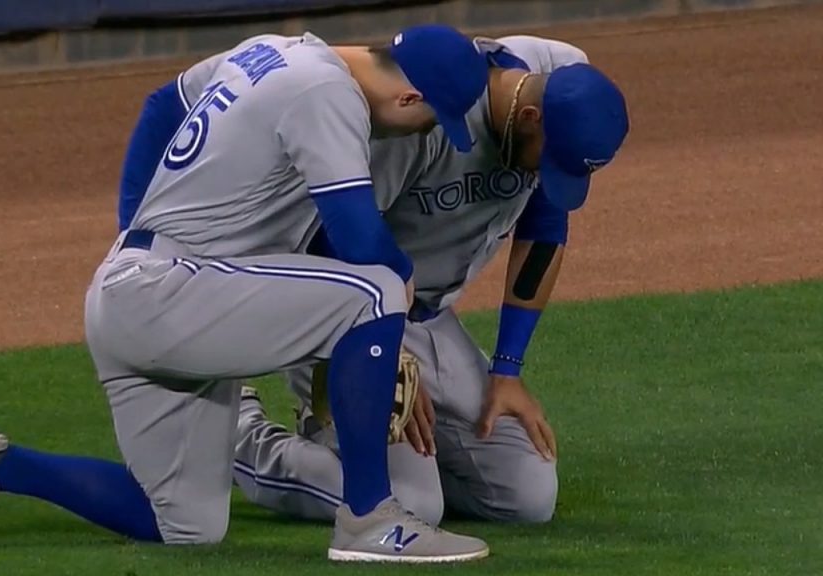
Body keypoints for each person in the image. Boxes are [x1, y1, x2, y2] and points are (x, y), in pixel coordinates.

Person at [0, 25, 496, 563]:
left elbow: (163, 104)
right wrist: (395, 308)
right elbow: (360, 238)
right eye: (428, 122)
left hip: (139, 294)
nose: (419, 134)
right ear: (409, 98)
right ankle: (369, 518)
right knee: (377, 289)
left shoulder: (270, 51)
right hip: (172, 293)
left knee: (184, 523)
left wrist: (133, 235)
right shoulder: (325, 92)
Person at [231, 35, 630, 525]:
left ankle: (381, 448)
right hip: (339, 304)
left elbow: (545, 224)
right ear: (530, 117)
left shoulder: (562, 77)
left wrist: (507, 369)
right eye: (549, 161)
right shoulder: (427, 113)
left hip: (424, 315)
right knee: (411, 501)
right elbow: (331, 236)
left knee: (526, 496)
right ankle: (240, 435)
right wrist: (381, 347)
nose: (548, 176)